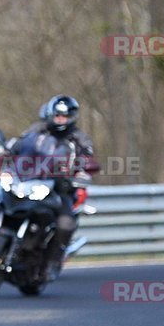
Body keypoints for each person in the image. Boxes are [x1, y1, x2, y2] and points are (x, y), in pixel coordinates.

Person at [8, 95, 96, 276]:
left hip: (60, 186)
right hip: (31, 179)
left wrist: (81, 173)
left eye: (64, 116)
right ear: (50, 115)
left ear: (71, 117)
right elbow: (19, 144)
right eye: (57, 116)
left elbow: (87, 160)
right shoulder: (38, 130)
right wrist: (5, 151)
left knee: (65, 223)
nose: (60, 120)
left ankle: (52, 261)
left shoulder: (79, 138)